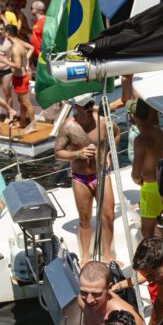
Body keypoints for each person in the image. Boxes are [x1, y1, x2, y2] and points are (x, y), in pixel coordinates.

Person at [54, 93, 120, 264]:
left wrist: (108, 153)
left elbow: (117, 134)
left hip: (101, 174)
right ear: (75, 107)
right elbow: (58, 153)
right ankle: (84, 256)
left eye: (91, 103)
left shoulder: (103, 122)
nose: (90, 107)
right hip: (80, 178)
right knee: (84, 218)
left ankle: (108, 255)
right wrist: (77, 153)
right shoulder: (68, 127)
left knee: (108, 215)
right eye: (86, 105)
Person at [131, 99, 163, 238]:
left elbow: (135, 174)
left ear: (135, 117)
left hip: (150, 188)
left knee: (147, 231)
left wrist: (137, 179)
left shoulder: (140, 139)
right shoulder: (159, 133)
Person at [0, 25, 34, 128]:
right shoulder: (19, 42)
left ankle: (32, 126)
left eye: (4, 31)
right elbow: (31, 48)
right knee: (22, 102)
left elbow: (18, 66)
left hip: (21, 78)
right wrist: (25, 60)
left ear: (8, 33)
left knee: (26, 103)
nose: (3, 33)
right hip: (19, 77)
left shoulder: (15, 48)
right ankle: (23, 123)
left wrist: (5, 61)